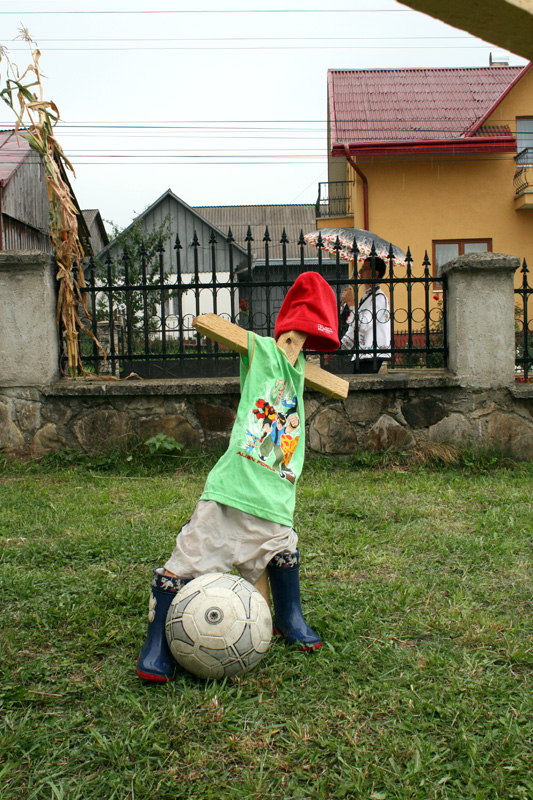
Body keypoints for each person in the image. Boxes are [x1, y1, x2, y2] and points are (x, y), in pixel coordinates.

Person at [136, 272, 341, 683]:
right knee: (191, 556)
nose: (296, 348)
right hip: (233, 489)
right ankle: (157, 639)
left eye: (307, 341)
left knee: (281, 550)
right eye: (295, 337)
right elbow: (214, 325)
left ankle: (287, 616)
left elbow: (331, 384)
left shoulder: (304, 371)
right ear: (284, 331)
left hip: (276, 491)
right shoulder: (259, 351)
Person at [343, 257, 391, 374]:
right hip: (362, 355)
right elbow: (354, 329)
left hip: (372, 355)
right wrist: (339, 348)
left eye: (364, 268)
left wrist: (351, 303)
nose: (360, 272)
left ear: (375, 273)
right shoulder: (366, 298)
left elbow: (363, 325)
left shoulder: (379, 298)